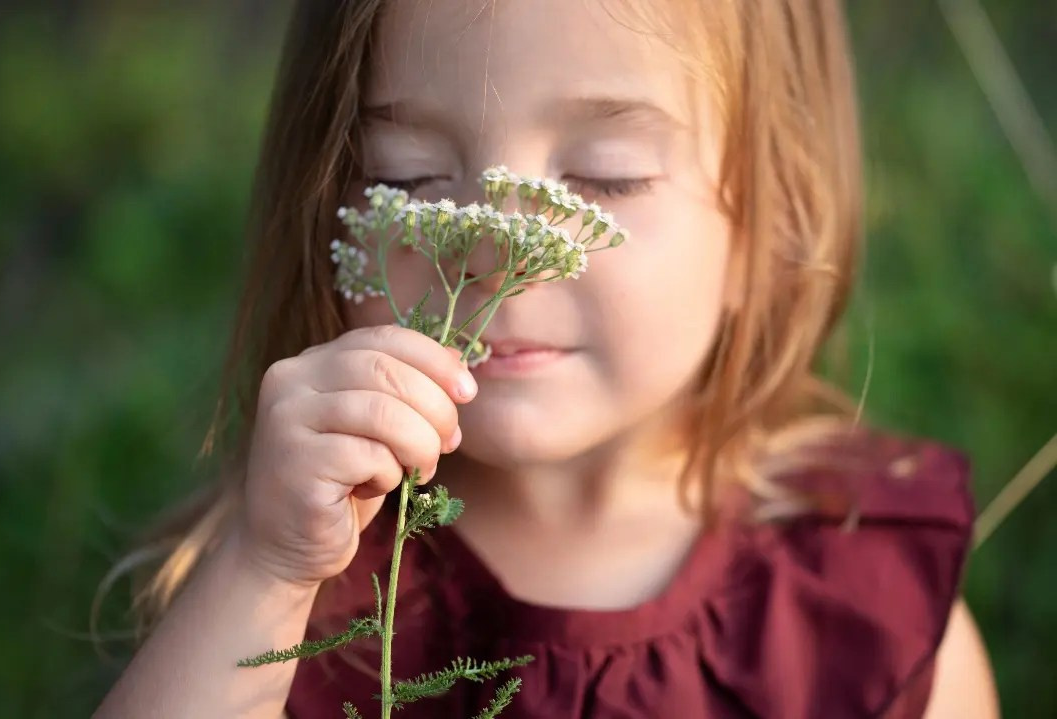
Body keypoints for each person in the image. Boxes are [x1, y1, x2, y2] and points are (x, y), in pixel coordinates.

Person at [94, 0, 1002, 717]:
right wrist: (264, 567)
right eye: (408, 175)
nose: (494, 251)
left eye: (605, 176)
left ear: (772, 224)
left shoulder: (859, 606)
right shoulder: (311, 577)